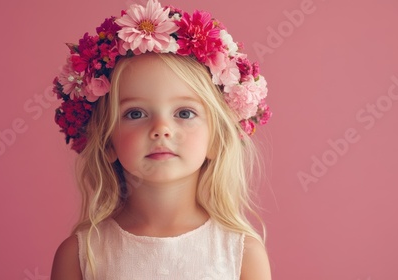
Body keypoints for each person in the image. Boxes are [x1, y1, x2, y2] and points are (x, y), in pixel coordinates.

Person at [50, 0, 272, 279]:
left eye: (184, 112)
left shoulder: (242, 253)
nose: (161, 129)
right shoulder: (81, 255)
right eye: (136, 113)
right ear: (107, 143)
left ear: (216, 139)